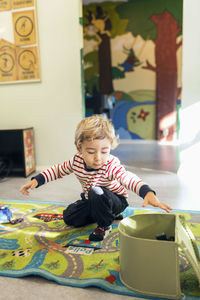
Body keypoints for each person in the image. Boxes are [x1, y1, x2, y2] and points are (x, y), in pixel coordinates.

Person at [20, 115, 172, 241]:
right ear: (79, 149)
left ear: (110, 148)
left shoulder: (111, 164)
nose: (98, 158)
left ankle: (104, 225)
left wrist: (147, 192)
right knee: (69, 217)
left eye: (104, 151)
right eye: (91, 152)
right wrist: (37, 180)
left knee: (96, 191)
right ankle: (105, 214)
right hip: (91, 198)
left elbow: (127, 178)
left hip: (116, 200)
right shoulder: (76, 161)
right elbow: (58, 170)